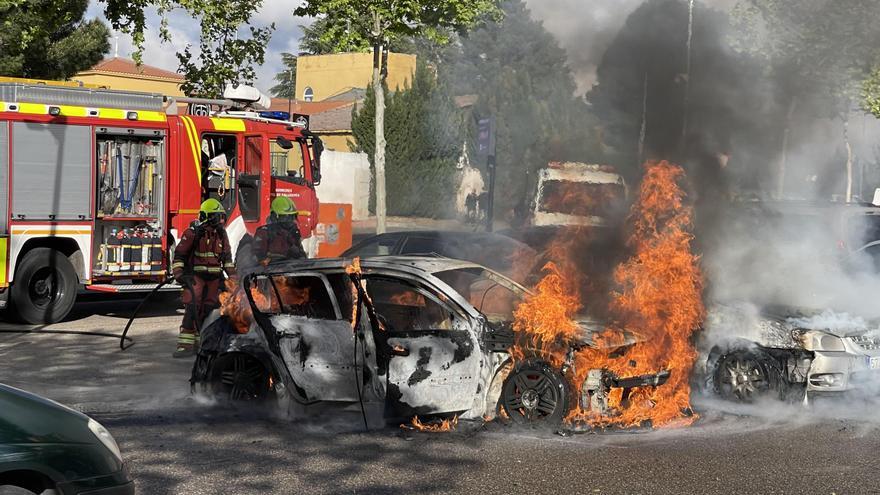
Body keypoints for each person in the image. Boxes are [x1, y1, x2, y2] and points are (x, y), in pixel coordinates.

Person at [171, 198, 236, 358]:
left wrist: (234, 278)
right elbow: (180, 255)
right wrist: (180, 275)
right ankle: (185, 346)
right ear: (208, 216)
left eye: (221, 216)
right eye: (217, 216)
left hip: (213, 278)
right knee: (192, 309)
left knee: (208, 311)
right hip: (195, 278)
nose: (220, 220)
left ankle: (202, 343)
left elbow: (227, 259)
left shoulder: (221, 234)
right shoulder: (193, 233)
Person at [252, 196, 307, 264]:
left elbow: (302, 257)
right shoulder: (264, 233)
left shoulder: (293, 233)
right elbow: (257, 258)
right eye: (286, 217)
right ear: (275, 217)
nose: (290, 221)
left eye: (292, 217)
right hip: (272, 271)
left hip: (291, 270)